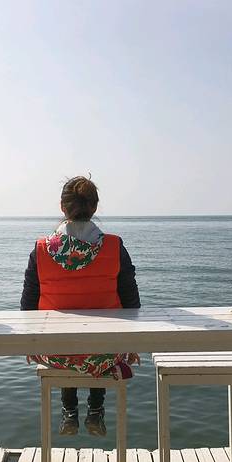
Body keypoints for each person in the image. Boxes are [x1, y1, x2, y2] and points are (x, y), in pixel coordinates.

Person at [21, 175, 141, 436]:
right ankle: (96, 411)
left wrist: (31, 344)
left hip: (54, 352)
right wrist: (131, 344)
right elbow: (131, 300)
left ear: (62, 207)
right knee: (100, 344)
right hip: (107, 352)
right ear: (94, 207)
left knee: (66, 344)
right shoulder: (114, 246)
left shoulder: (41, 250)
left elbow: (28, 302)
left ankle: (69, 412)